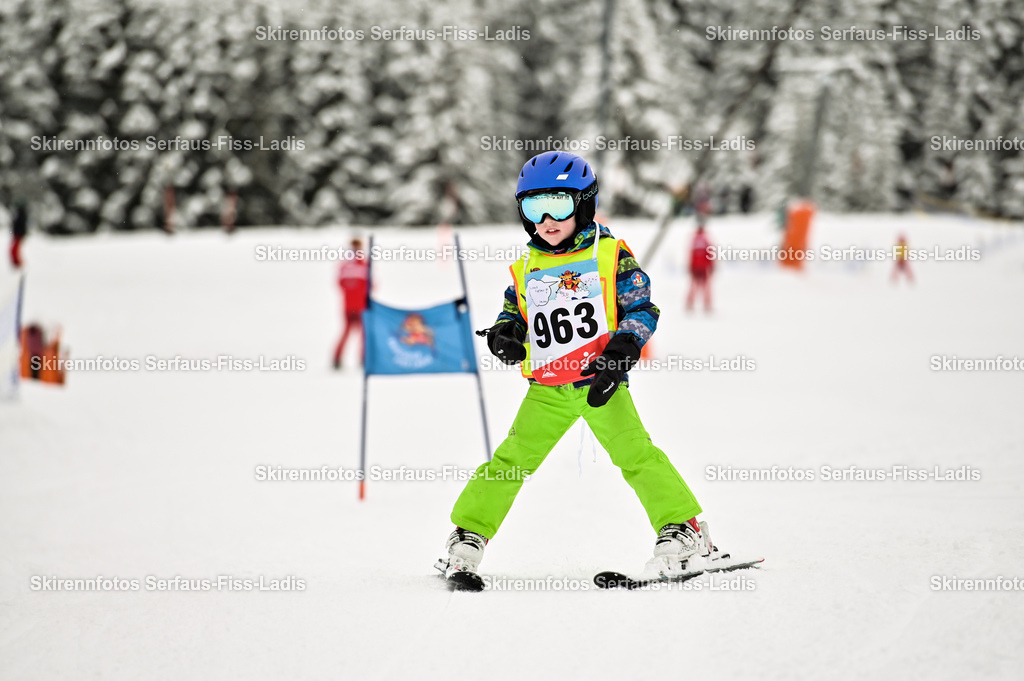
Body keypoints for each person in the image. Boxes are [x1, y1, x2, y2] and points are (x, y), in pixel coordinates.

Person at [438, 151, 721, 581]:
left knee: (635, 454)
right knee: (511, 460)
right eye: (534, 208)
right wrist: (504, 335)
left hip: (600, 383)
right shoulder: (527, 267)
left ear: (584, 204)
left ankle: (685, 530)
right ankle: (468, 536)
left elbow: (642, 309)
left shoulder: (609, 255)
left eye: (559, 205)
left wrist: (624, 348)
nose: (546, 220)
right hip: (549, 389)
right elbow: (512, 314)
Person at [332, 239, 369, 369]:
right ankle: (363, 359)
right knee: (363, 334)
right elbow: (371, 285)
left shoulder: (344, 265)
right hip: (360, 305)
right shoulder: (363, 264)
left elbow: (339, 283)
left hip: (348, 305)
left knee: (346, 332)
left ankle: (337, 358)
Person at [686, 226, 714, 313]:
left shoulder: (694, 241)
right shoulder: (706, 240)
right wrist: (711, 265)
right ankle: (707, 304)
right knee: (705, 287)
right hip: (704, 267)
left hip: (695, 267)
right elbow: (709, 254)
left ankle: (690, 303)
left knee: (693, 286)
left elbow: (691, 255)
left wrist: (690, 266)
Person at [9, 199, 27, 268]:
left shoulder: (21, 214)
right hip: (17, 234)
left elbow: (20, 225)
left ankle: (18, 263)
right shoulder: (20, 213)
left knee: (14, 250)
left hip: (18, 234)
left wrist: (18, 232)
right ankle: (17, 262)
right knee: (14, 249)